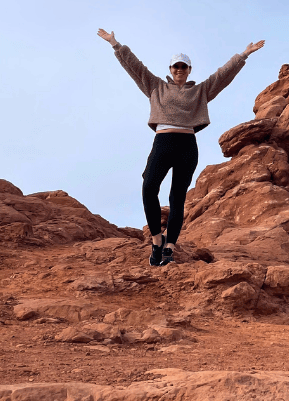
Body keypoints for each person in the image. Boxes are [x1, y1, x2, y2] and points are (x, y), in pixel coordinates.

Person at [97, 30, 264, 266]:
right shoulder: (155, 86)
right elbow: (135, 66)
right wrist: (115, 44)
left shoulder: (200, 92)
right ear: (170, 69)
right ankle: (157, 241)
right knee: (149, 188)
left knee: (177, 198)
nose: (179, 70)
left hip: (187, 145)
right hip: (163, 142)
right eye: (176, 66)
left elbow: (222, 76)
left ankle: (169, 248)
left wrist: (243, 55)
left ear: (189, 70)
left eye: (183, 67)